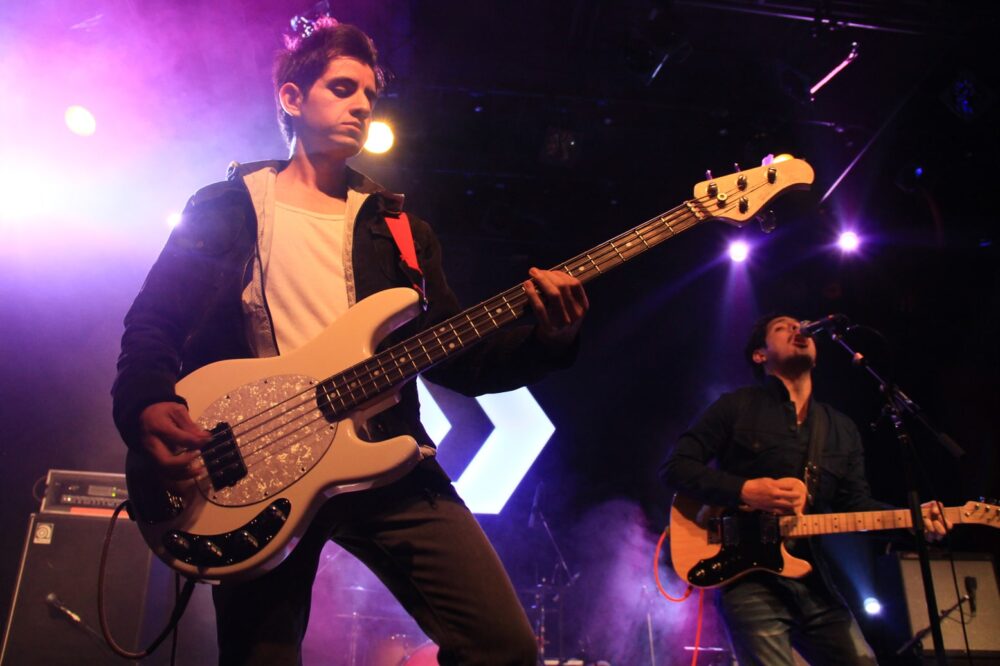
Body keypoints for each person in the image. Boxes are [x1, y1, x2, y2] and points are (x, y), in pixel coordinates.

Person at [112, 19, 588, 666]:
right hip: (258, 461)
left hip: (386, 459)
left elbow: (459, 359)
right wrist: (144, 402)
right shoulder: (228, 207)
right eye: (343, 88)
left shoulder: (400, 229)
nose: (362, 105)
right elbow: (153, 322)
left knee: (503, 647)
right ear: (291, 98)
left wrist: (551, 338)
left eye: (370, 94)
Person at [659, 313, 949, 666]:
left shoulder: (840, 428)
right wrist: (744, 490)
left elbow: (855, 505)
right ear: (760, 354)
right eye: (783, 327)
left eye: (801, 325)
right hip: (747, 580)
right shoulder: (735, 407)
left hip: (814, 581)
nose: (798, 329)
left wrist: (913, 520)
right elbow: (676, 467)